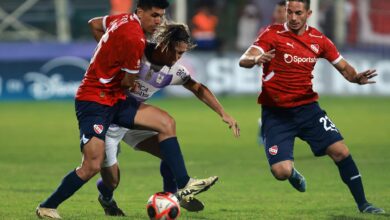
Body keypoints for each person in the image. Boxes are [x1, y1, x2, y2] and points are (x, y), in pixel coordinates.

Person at [35, 1, 216, 219]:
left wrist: (107, 54)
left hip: (116, 101)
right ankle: (48, 206)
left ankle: (183, 185)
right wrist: (117, 62)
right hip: (96, 101)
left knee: (166, 124)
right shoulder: (135, 40)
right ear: (140, 12)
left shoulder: (122, 19)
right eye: (154, 16)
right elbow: (129, 82)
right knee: (94, 168)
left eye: (161, 16)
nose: (158, 22)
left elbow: (94, 24)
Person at [239, 0, 385, 214]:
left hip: (307, 109)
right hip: (276, 113)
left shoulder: (319, 40)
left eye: (298, 13)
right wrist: (256, 59)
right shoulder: (272, 33)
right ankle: (291, 172)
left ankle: (364, 204)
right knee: (281, 172)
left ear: (308, 13)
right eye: (290, 12)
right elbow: (244, 58)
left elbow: (343, 67)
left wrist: (356, 78)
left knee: (341, 152)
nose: (294, 18)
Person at [88, 22, 240, 216]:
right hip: (110, 119)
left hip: (135, 119)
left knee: (169, 151)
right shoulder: (137, 52)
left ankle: (171, 197)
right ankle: (106, 198)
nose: (178, 58)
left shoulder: (173, 71)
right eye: (176, 52)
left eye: (182, 54)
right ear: (164, 45)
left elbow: (198, 88)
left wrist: (223, 113)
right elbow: (102, 37)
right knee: (112, 180)